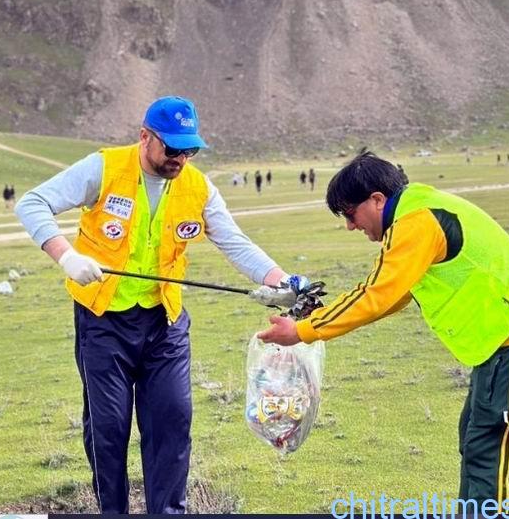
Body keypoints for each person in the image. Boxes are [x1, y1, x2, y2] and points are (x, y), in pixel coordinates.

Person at [15, 96, 305, 514]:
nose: (181, 158)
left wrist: (281, 280)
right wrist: (67, 256)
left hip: (164, 324)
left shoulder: (198, 188)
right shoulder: (105, 168)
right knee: (109, 428)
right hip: (103, 322)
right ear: (144, 137)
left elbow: (234, 241)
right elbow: (32, 203)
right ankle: (112, 511)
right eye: (172, 148)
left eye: (190, 149)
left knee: (172, 420)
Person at [258, 150, 509, 509]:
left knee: (488, 448)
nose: (350, 226)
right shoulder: (415, 212)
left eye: (350, 214)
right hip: (502, 341)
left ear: (377, 200)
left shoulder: (415, 222)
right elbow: (394, 293)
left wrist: (302, 331)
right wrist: (321, 317)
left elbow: (377, 293)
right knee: (475, 439)